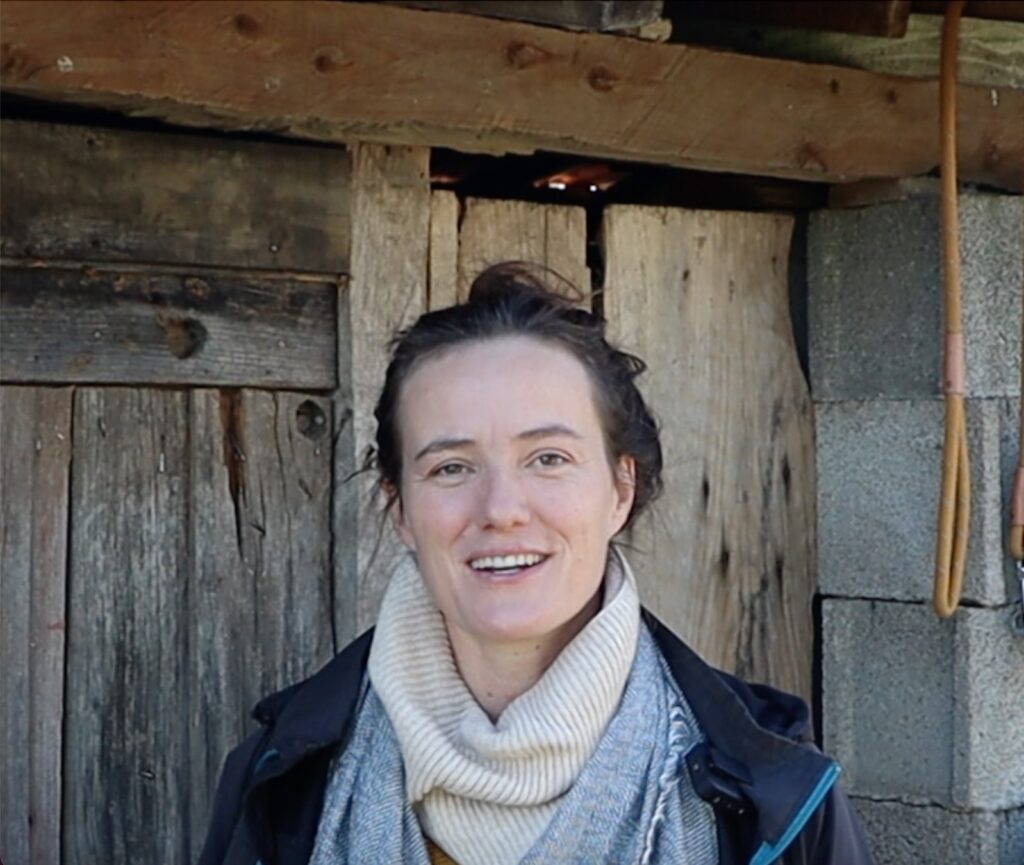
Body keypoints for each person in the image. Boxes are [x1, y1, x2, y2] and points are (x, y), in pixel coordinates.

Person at [198, 263, 875, 865]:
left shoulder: (777, 799)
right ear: (399, 508)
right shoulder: (279, 784)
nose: (502, 508)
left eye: (548, 458)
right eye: (452, 466)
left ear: (619, 489)